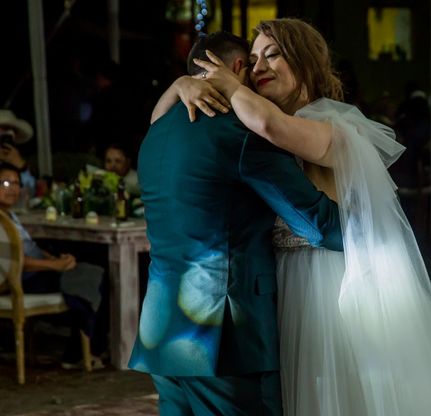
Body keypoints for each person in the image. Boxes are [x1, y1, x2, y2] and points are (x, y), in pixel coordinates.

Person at [163, 19, 431, 415]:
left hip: (328, 283)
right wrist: (179, 86)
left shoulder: (334, 124)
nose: (259, 67)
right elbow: (164, 126)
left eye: (273, 54)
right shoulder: (251, 126)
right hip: (276, 282)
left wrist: (229, 86)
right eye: (252, 59)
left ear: (305, 61)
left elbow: (273, 125)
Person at [128, 31, 343, 416]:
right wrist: (375, 227)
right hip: (225, 337)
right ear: (238, 68)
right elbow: (314, 223)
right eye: (254, 66)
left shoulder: (155, 133)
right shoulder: (239, 132)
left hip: (162, 331)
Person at [0, 162, 106, 369]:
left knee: (89, 274)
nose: (13, 188)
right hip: (23, 279)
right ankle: (82, 352)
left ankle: (84, 349)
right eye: (5, 183)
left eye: (16, 183)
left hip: (38, 269)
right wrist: (54, 266)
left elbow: (28, 248)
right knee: (92, 277)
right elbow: (17, 263)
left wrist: (56, 258)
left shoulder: (10, 216)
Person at [0, 110, 36, 198]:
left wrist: (20, 166)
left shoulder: (15, 160)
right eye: (3, 130)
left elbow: (29, 193)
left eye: (11, 132)